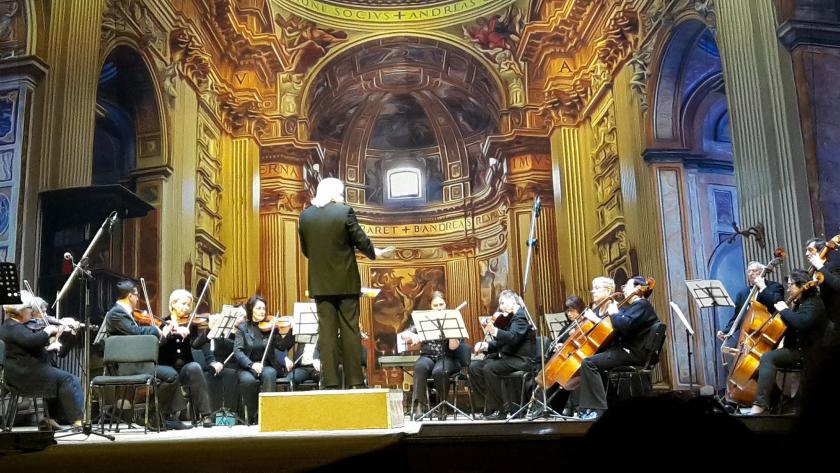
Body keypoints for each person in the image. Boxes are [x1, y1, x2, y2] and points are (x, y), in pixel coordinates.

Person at [298, 177, 392, 389]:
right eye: (341, 192)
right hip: (346, 283)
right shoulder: (344, 212)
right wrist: (374, 253)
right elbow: (360, 239)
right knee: (350, 331)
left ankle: (330, 382)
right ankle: (355, 381)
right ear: (334, 193)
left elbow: (306, 250)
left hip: (320, 285)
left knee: (327, 333)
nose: (342, 197)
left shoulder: (305, 216)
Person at [104, 280, 191, 430]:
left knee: (170, 373)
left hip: (136, 362)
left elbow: (139, 338)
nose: (138, 299)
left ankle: (161, 416)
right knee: (171, 376)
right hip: (127, 366)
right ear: (130, 296)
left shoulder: (124, 313)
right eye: (137, 295)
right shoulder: (116, 313)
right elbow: (136, 333)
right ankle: (153, 414)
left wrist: (165, 334)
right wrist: (155, 330)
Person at [576, 276, 659, 420]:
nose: (624, 289)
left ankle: (597, 409)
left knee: (589, 363)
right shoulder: (635, 307)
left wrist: (614, 312)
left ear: (637, 289)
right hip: (629, 351)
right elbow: (623, 325)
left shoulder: (642, 305)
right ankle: (611, 406)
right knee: (596, 361)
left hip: (632, 353)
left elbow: (623, 326)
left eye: (627, 286)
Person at [0, 293, 83, 430]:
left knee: (59, 378)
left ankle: (49, 419)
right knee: (69, 380)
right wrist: (47, 331)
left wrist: (51, 342)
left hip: (25, 371)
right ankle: (78, 422)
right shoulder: (13, 327)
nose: (32, 312)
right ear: (20, 311)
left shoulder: (11, 325)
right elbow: (32, 341)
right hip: (25, 375)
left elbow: (27, 347)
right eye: (29, 309)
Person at [750, 269, 827, 415]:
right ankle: (779, 401)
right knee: (758, 363)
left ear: (800, 286)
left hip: (809, 352)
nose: (788, 288)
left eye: (790, 284)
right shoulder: (800, 303)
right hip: (796, 349)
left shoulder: (814, 303)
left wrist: (785, 310)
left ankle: (760, 405)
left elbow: (800, 323)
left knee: (768, 358)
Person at [400, 291, 470, 418]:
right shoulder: (425, 319)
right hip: (428, 356)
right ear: (430, 307)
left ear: (446, 304)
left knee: (440, 371)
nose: (439, 308)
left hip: (448, 357)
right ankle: (420, 406)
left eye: (441, 304)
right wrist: (413, 335)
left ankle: (442, 405)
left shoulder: (453, 318)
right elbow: (404, 335)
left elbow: (453, 347)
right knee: (420, 367)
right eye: (435, 305)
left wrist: (451, 332)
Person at [469, 289, 536, 420]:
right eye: (500, 303)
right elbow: (502, 342)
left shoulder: (521, 316)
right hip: (508, 357)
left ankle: (501, 409)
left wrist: (494, 331)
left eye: (503, 303)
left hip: (521, 359)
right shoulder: (509, 318)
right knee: (474, 367)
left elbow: (513, 338)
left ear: (512, 301)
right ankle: (487, 405)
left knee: (490, 368)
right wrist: (486, 346)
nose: (500, 307)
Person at [157, 289, 215, 427]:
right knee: (172, 375)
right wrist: (172, 332)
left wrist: (208, 331)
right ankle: (169, 415)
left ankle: (206, 415)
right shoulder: (162, 323)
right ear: (173, 305)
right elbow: (159, 345)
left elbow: (195, 344)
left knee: (195, 367)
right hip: (167, 368)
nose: (187, 308)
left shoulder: (190, 324)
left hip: (184, 368)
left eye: (189, 305)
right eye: (183, 304)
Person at [232, 295, 294, 423]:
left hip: (267, 365)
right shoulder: (242, 328)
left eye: (264, 309)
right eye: (259, 308)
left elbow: (282, 346)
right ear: (251, 309)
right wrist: (251, 365)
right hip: (247, 367)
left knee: (270, 373)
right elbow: (238, 351)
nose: (262, 311)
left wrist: (292, 330)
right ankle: (253, 414)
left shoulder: (270, 328)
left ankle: (268, 415)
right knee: (248, 381)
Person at [718, 261, 785, 342]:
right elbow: (738, 317)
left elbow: (776, 304)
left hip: (769, 332)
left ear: (762, 271)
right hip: (748, 336)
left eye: (754, 271)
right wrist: (725, 331)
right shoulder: (742, 293)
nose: (750, 274)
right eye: (749, 271)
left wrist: (763, 287)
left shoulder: (775, 287)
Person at [805, 237, 840, 345]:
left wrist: (820, 266)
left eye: (810, 250)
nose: (806, 253)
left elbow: (838, 286)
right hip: (822, 323)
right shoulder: (812, 272)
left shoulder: (832, 267)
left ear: (820, 251)